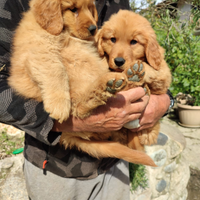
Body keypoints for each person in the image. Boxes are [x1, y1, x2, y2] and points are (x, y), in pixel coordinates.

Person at [0, 0, 171, 199]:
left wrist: (164, 102)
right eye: (74, 10)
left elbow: (141, 53)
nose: (92, 24)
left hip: (113, 166)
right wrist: (73, 121)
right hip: (56, 169)